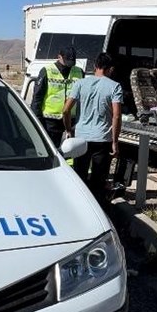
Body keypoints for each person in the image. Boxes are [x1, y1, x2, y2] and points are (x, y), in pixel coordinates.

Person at [63, 53, 123, 206]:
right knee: (98, 179)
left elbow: (65, 110)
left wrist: (69, 129)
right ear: (110, 69)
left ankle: (78, 206)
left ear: (95, 66)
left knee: (79, 176)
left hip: (81, 138)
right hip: (102, 139)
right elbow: (116, 116)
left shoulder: (80, 84)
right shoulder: (114, 86)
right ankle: (97, 208)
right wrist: (115, 141)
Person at [29, 47, 83, 145]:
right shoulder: (47, 71)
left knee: (71, 151)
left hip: (72, 121)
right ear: (59, 57)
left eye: (71, 61)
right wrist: (37, 120)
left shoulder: (79, 72)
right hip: (50, 121)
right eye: (67, 61)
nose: (69, 65)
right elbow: (37, 98)